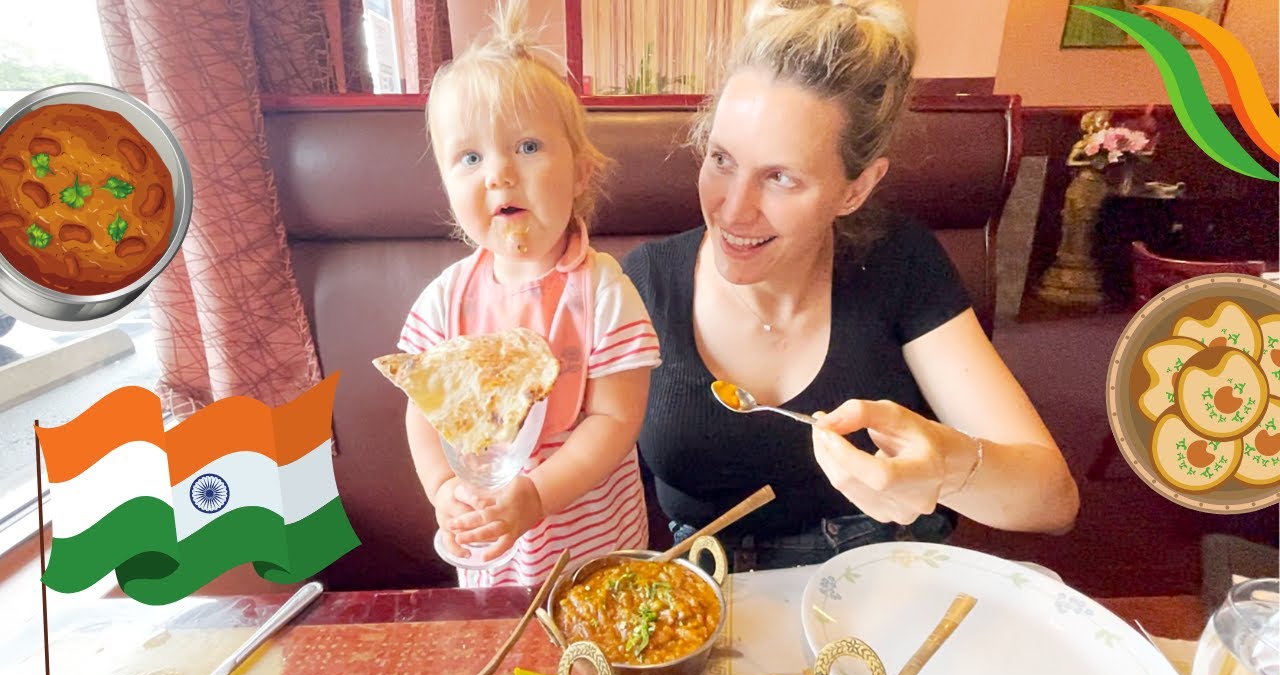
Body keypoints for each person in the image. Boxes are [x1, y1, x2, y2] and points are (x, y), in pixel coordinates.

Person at [622, 0, 1079, 572]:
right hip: (705, 581)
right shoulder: (643, 282)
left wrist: (946, 468)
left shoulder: (900, 263)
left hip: (877, 571)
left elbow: (1053, 502)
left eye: (781, 177)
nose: (733, 211)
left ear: (855, 189)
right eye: (721, 159)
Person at [397, 0, 659, 587]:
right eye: (470, 157)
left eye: (529, 147)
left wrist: (536, 496)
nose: (499, 174)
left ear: (582, 171)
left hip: (595, 557)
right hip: (494, 563)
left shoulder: (605, 294)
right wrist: (443, 488)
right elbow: (423, 412)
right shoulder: (444, 303)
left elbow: (616, 419)